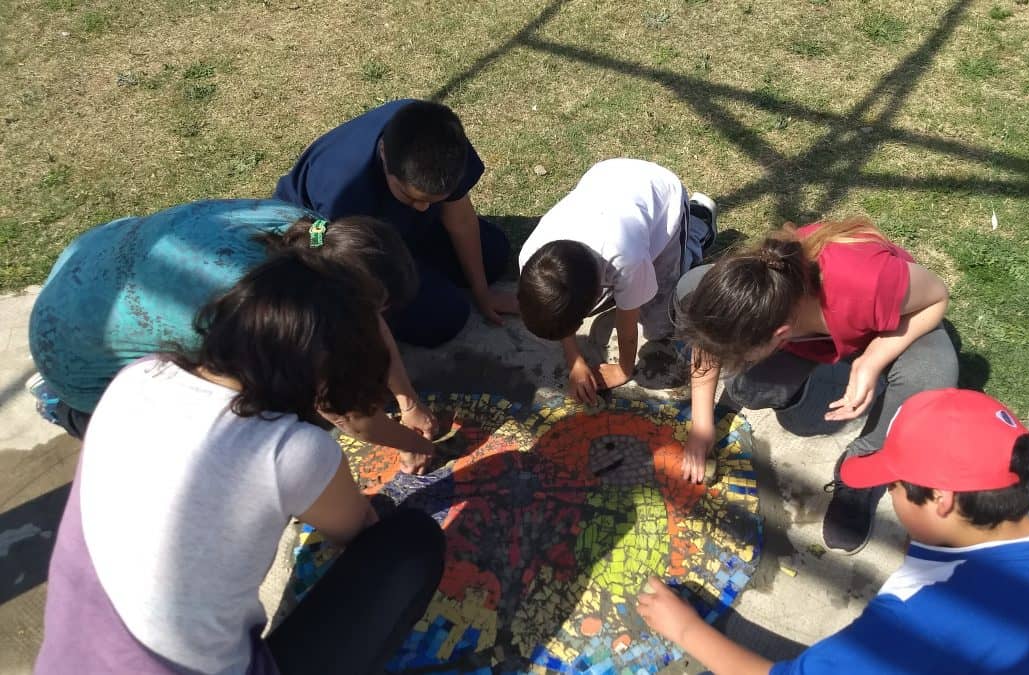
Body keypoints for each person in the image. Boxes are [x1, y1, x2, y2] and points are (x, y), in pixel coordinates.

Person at [35, 250, 447, 674]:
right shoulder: (293, 450)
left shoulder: (138, 375)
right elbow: (358, 529)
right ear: (330, 375)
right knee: (412, 542)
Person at [637, 388, 1029, 674]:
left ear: (943, 500)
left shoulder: (922, 617)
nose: (888, 489)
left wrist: (685, 629)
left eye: (895, 484)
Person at [28, 199, 440, 473]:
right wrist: (409, 441)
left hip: (90, 265)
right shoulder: (261, 304)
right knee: (249, 427)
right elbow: (346, 414)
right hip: (73, 347)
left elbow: (364, 313)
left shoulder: (318, 236)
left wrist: (408, 402)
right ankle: (71, 409)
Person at [677, 218, 957, 552]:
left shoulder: (868, 283)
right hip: (812, 330)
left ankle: (861, 469)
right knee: (744, 382)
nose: (720, 360)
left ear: (780, 336)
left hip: (891, 323)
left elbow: (938, 296)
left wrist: (873, 359)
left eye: (737, 355)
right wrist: (702, 425)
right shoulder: (745, 288)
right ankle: (819, 375)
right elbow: (708, 342)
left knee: (932, 378)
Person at [273, 98, 517, 347]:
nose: (423, 208)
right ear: (383, 156)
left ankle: (416, 263)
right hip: (334, 238)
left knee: (494, 254)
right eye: (412, 198)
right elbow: (352, 277)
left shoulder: (443, 142)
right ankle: (415, 269)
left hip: (388, 222)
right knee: (445, 316)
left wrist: (482, 291)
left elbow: (460, 218)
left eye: (434, 201)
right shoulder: (343, 191)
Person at [517, 158, 716, 404]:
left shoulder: (625, 260)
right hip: (609, 182)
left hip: (661, 198)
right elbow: (557, 313)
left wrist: (624, 369)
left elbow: (627, 323)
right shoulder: (530, 259)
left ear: (598, 289)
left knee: (660, 327)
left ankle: (698, 223)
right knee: (622, 294)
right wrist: (575, 361)